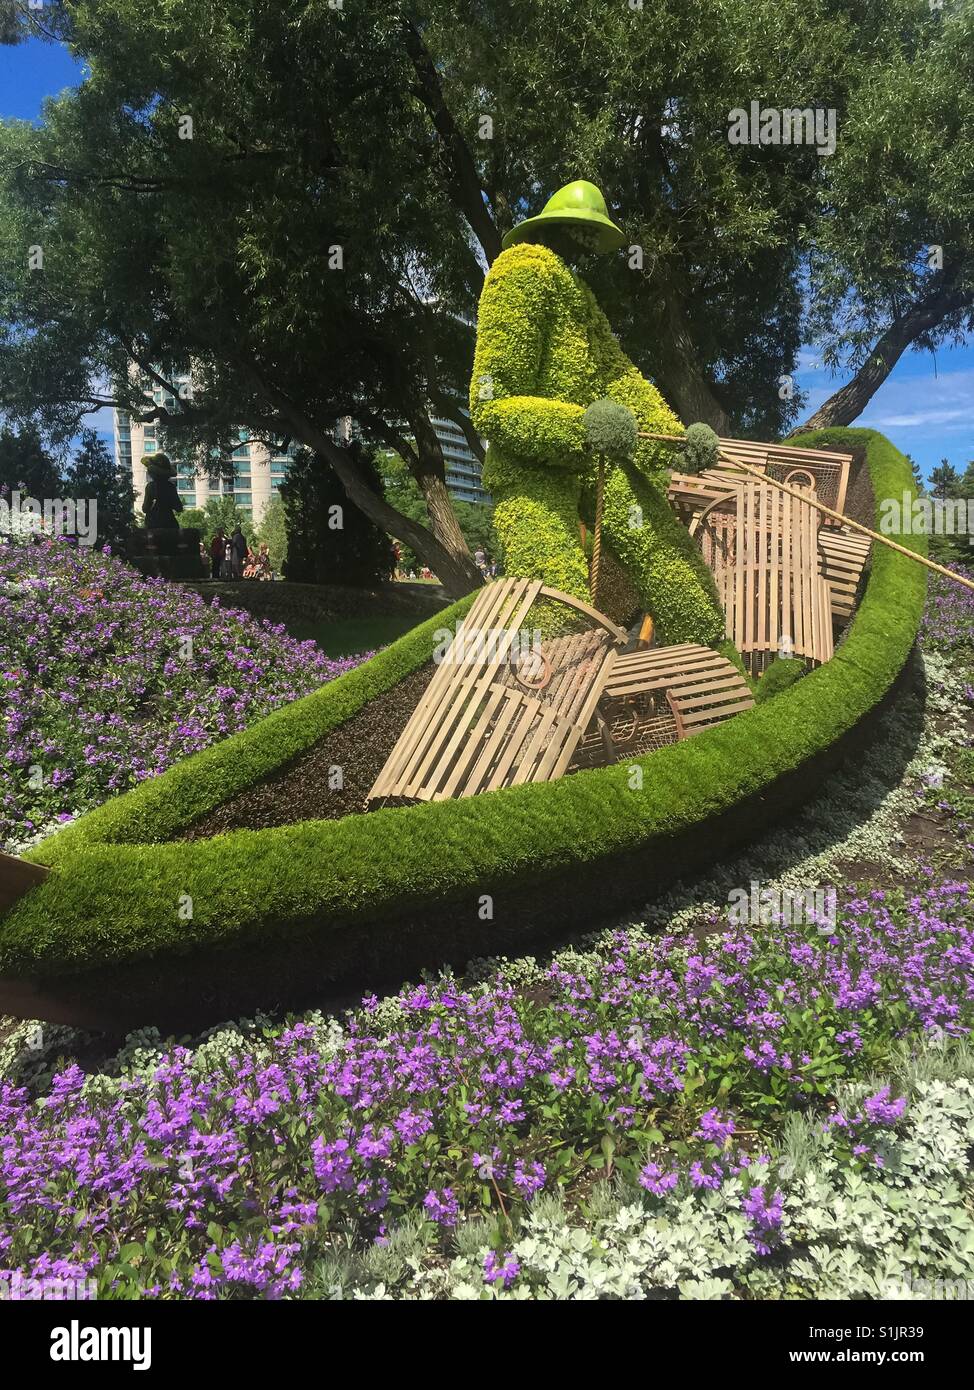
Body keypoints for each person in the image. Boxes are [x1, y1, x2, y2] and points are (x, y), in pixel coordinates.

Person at [469, 179, 724, 647]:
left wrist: (676, 445)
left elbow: (620, 380)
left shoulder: (581, 298)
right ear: (556, 228)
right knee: (558, 607)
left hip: (594, 463)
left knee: (674, 565)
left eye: (595, 234)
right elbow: (490, 404)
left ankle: (716, 675)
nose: (589, 244)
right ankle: (555, 712)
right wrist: (582, 428)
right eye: (582, 231)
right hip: (530, 473)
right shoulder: (521, 271)